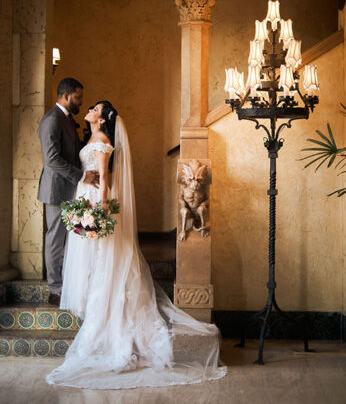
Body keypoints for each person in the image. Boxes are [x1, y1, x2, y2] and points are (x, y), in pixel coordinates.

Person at [47, 100, 227, 389]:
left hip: (95, 203)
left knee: (104, 260)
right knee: (95, 261)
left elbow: (105, 180)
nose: (90, 110)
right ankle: (97, 311)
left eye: (95, 109)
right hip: (86, 200)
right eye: (90, 107)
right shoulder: (91, 138)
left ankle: (106, 323)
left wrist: (100, 211)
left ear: (103, 119)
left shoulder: (103, 141)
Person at [37, 78, 99, 306]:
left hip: (70, 188)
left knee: (69, 240)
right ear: (65, 95)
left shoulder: (67, 119)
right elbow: (52, 159)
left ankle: (68, 283)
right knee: (55, 239)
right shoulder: (51, 120)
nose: (81, 101)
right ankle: (55, 289)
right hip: (55, 189)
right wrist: (81, 176)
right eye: (78, 97)